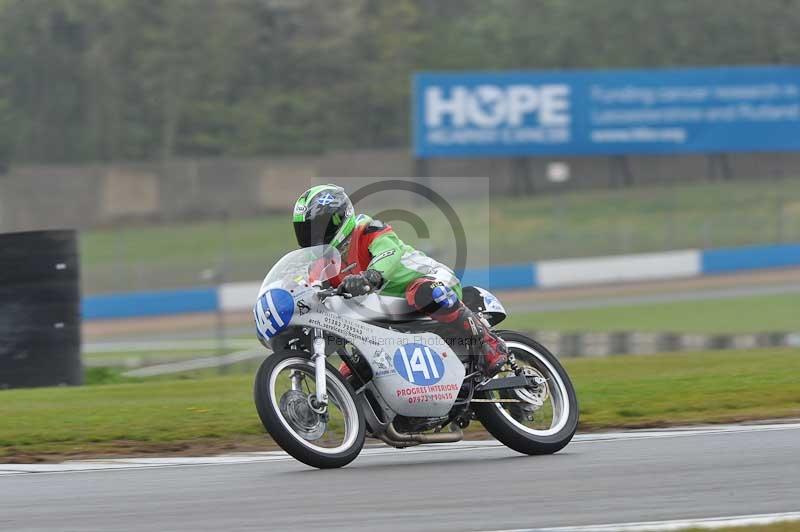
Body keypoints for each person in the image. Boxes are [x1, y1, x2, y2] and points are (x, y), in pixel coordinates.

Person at [292, 184, 508, 378]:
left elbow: (389, 253)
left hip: (429, 282)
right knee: (350, 375)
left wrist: (371, 275)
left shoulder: (367, 228)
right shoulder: (322, 264)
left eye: (317, 227)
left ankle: (487, 343)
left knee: (422, 292)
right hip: (390, 315)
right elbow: (310, 288)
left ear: (339, 218)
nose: (312, 236)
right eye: (305, 230)